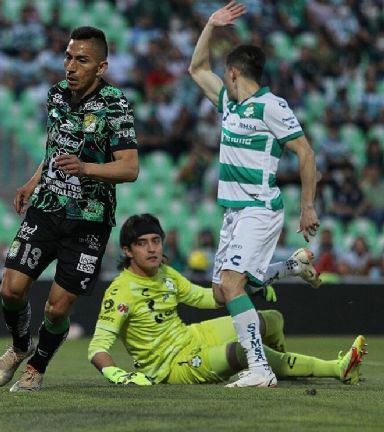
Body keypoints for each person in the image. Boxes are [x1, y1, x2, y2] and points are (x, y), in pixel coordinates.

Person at [0, 26, 140, 392]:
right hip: (47, 206)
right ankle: (20, 346)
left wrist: (86, 168)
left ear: (101, 67)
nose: (71, 66)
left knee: (56, 309)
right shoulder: (56, 94)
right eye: (68, 57)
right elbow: (56, 149)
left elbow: (130, 168)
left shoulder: (115, 105)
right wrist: (33, 181)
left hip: (89, 220)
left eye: (81, 60)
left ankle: (36, 368)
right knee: (10, 289)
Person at [187, 2, 321, 387]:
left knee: (233, 284)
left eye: (225, 72)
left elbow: (306, 153)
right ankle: (290, 267)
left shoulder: (271, 106)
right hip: (233, 212)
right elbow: (196, 69)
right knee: (221, 292)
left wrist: (307, 207)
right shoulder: (229, 104)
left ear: (232, 72)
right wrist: (211, 25)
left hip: (259, 208)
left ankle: (260, 369)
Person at [88, 213, 367, 387]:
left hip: (191, 336)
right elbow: (97, 347)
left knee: (269, 320)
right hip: (172, 366)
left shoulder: (165, 273)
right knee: (245, 350)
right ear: (127, 251)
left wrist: (248, 288)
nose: (152, 249)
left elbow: (210, 298)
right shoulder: (120, 290)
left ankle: (284, 368)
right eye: (142, 243)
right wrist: (117, 374)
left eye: (155, 240)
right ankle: (337, 369)